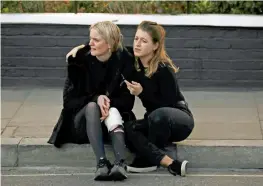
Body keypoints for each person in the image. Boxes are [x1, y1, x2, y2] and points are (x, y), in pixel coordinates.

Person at [48, 21, 136, 181]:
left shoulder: (124, 61)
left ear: (109, 44)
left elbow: (128, 102)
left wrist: (107, 103)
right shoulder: (79, 60)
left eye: (96, 40)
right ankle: (101, 163)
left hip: (110, 123)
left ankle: (119, 163)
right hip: (81, 124)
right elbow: (69, 103)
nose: (90, 43)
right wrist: (97, 99)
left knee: (114, 110)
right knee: (91, 107)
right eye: (90, 39)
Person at [123, 21, 195, 177]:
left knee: (158, 115)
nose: (137, 44)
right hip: (156, 121)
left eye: (144, 41)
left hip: (179, 120)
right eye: (136, 39)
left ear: (155, 46)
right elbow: (111, 45)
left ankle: (147, 158)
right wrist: (81, 48)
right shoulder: (135, 64)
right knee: (128, 128)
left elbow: (166, 106)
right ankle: (169, 162)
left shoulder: (163, 70)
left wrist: (142, 93)